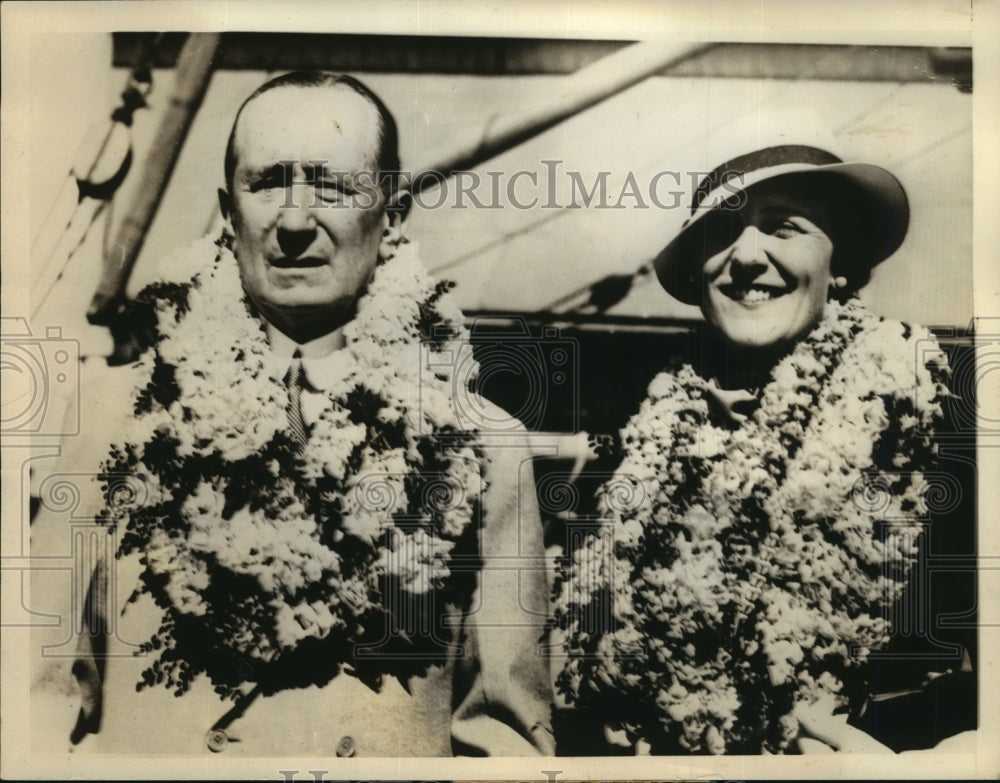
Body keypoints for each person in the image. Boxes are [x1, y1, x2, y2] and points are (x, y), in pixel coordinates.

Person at [30, 71, 554, 757]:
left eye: (333, 187)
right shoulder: (112, 419)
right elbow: (35, 706)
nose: (296, 222)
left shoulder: (482, 445)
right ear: (227, 211)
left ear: (392, 212)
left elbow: (505, 740)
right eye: (268, 182)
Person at [553, 110, 972, 755]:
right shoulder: (629, 442)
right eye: (722, 231)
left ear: (843, 263)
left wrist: (922, 768)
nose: (748, 256)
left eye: (783, 227)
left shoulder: (928, 430)